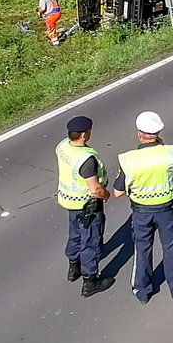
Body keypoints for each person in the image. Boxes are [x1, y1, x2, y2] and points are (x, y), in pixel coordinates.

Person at [113, 111, 173, 303]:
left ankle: (142, 291)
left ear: (139, 133)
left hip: (141, 212)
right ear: (158, 132)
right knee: (170, 247)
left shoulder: (128, 160)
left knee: (142, 249)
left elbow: (118, 192)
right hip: (166, 210)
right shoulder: (169, 153)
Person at [55, 115, 112, 297]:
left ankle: (73, 268)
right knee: (91, 242)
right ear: (83, 134)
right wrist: (106, 195)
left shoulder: (63, 145)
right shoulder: (86, 160)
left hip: (70, 201)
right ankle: (90, 281)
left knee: (75, 235)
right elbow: (95, 188)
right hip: (88, 206)